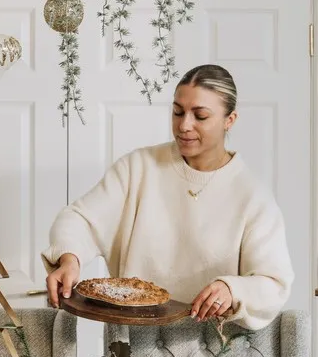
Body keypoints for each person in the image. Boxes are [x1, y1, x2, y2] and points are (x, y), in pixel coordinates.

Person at [42, 64, 293, 330]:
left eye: (200, 116)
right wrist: (70, 258)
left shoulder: (252, 196)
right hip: (132, 335)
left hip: (211, 342)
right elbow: (78, 218)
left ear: (229, 120)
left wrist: (232, 289)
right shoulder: (138, 167)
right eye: (178, 112)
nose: (184, 125)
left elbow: (273, 283)